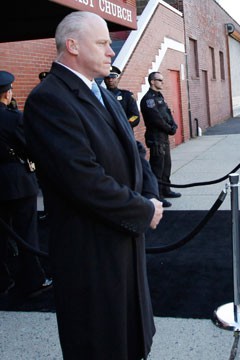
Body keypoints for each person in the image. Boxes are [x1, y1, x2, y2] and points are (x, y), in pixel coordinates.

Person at [23, 11, 164, 359]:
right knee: (101, 343)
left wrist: (150, 193)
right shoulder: (50, 99)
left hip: (122, 243)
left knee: (131, 339)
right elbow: (83, 179)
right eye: (102, 43)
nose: (111, 51)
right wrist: (143, 210)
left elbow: (135, 150)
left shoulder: (100, 91)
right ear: (72, 45)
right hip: (91, 254)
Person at [0, 70, 52, 298]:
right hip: (18, 183)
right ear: (7, 93)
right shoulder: (13, 119)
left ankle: (3, 280)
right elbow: (30, 147)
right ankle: (33, 279)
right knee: (26, 233)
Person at [140, 71, 181, 207]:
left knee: (166, 165)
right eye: (160, 80)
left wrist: (173, 124)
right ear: (152, 82)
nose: (162, 82)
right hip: (156, 138)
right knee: (157, 167)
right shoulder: (148, 99)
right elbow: (155, 118)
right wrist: (169, 129)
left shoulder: (159, 96)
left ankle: (166, 190)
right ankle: (157, 195)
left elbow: (167, 113)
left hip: (163, 137)